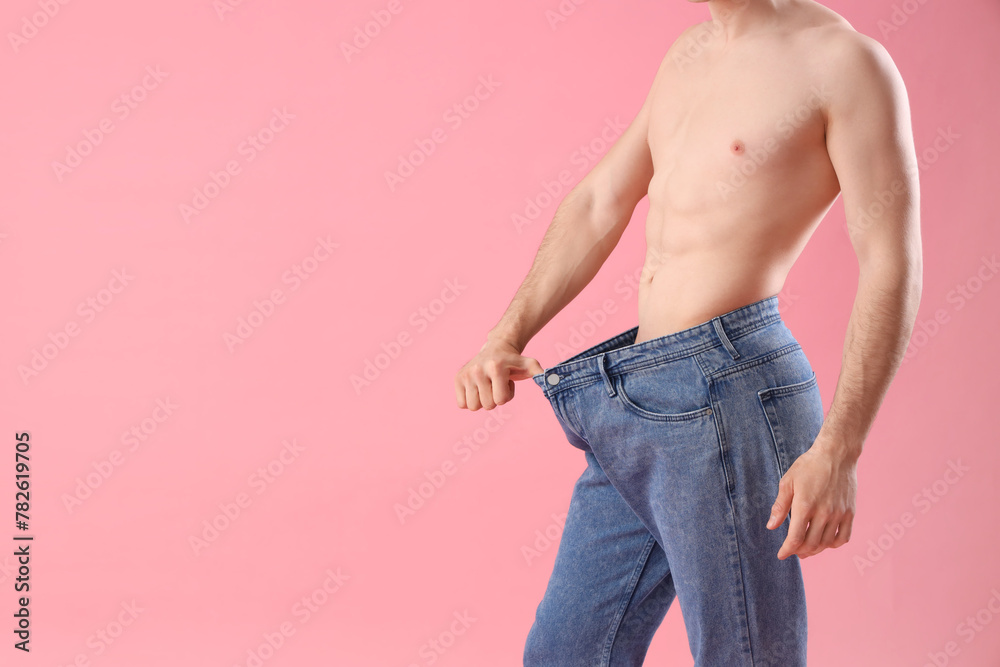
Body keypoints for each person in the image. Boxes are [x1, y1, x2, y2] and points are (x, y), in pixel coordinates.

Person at [453, 0, 922, 664]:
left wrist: (840, 449)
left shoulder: (843, 63)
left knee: (745, 655)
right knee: (566, 652)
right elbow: (600, 201)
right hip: (635, 395)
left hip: (729, 393)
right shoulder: (689, 54)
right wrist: (507, 332)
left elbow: (892, 261)